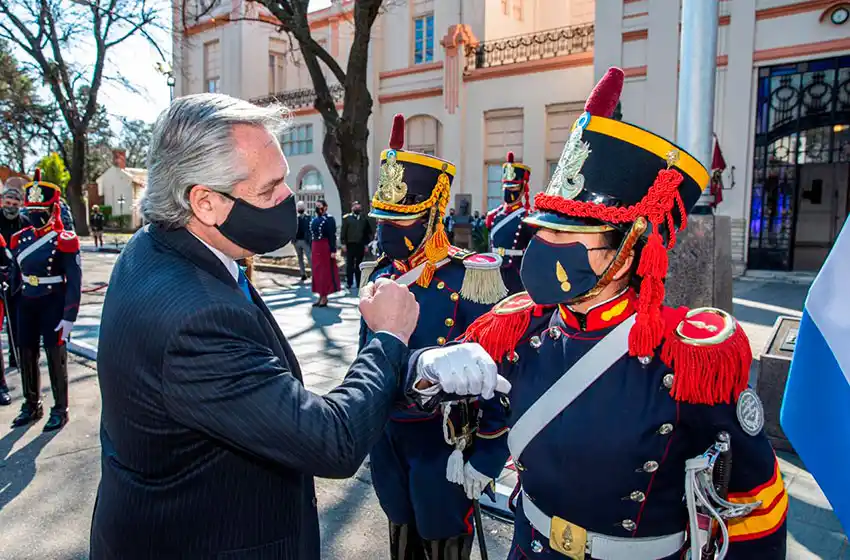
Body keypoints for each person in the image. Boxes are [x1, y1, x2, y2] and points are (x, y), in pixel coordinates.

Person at [89, 93, 499, 560]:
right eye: (269, 189)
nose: (287, 198)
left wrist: (422, 372)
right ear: (204, 202)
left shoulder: (160, 248)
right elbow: (333, 440)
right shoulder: (194, 316)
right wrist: (391, 337)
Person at [414, 69, 787, 559]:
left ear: (628, 253)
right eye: (543, 232)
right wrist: (474, 440)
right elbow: (498, 407)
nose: (544, 248)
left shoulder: (691, 359)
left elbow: (753, 509)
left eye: (567, 237)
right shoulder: (519, 327)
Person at [360, 114, 510, 559]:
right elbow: (364, 358)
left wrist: (488, 453)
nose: (386, 230)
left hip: (444, 446)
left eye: (400, 220)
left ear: (431, 217)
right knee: (400, 534)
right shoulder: (380, 274)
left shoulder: (470, 278)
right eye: (382, 218)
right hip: (389, 439)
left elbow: (497, 372)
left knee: (441, 538)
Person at [10, 169, 82, 431]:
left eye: (42, 209)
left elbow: (74, 281)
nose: (36, 214)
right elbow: (16, 273)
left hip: (53, 302)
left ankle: (60, 408)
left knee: (55, 357)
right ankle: (31, 404)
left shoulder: (65, 240)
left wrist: (69, 316)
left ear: (53, 210)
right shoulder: (20, 239)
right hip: (27, 303)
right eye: (33, 209)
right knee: (26, 353)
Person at [486, 151, 532, 294]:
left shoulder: (527, 217)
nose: (508, 192)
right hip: (494, 269)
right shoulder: (493, 215)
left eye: (513, 188)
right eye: (506, 188)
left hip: (516, 271)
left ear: (523, 189)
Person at [0, 185, 30, 377]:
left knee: (16, 319)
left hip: (17, 279)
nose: (11, 207)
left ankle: (15, 355)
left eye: (15, 204)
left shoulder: (25, 222)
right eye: (8, 203)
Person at [310, 198, 339, 307]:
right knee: (316, 272)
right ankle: (319, 295)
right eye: (316, 206)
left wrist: (333, 250)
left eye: (320, 206)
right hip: (315, 246)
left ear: (325, 207)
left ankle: (324, 296)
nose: (318, 208)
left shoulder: (329, 219)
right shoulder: (314, 219)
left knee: (324, 272)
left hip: (324, 247)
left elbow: (332, 235)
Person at [340, 200, 372, 290]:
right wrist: (343, 244)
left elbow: (367, 233)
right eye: (355, 206)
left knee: (359, 264)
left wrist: (366, 245)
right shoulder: (347, 218)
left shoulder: (363, 219)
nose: (357, 208)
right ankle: (349, 282)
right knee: (349, 264)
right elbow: (343, 232)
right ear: (352, 208)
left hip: (360, 245)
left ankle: (359, 283)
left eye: (359, 206)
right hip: (350, 245)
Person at [294, 200, 312, 281]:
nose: (300, 208)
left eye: (301, 207)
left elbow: (310, 229)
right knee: (300, 258)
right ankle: (303, 274)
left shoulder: (308, 217)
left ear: (304, 208)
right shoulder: (295, 218)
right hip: (296, 241)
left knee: (310, 257)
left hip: (305, 241)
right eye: (299, 207)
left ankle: (314, 274)